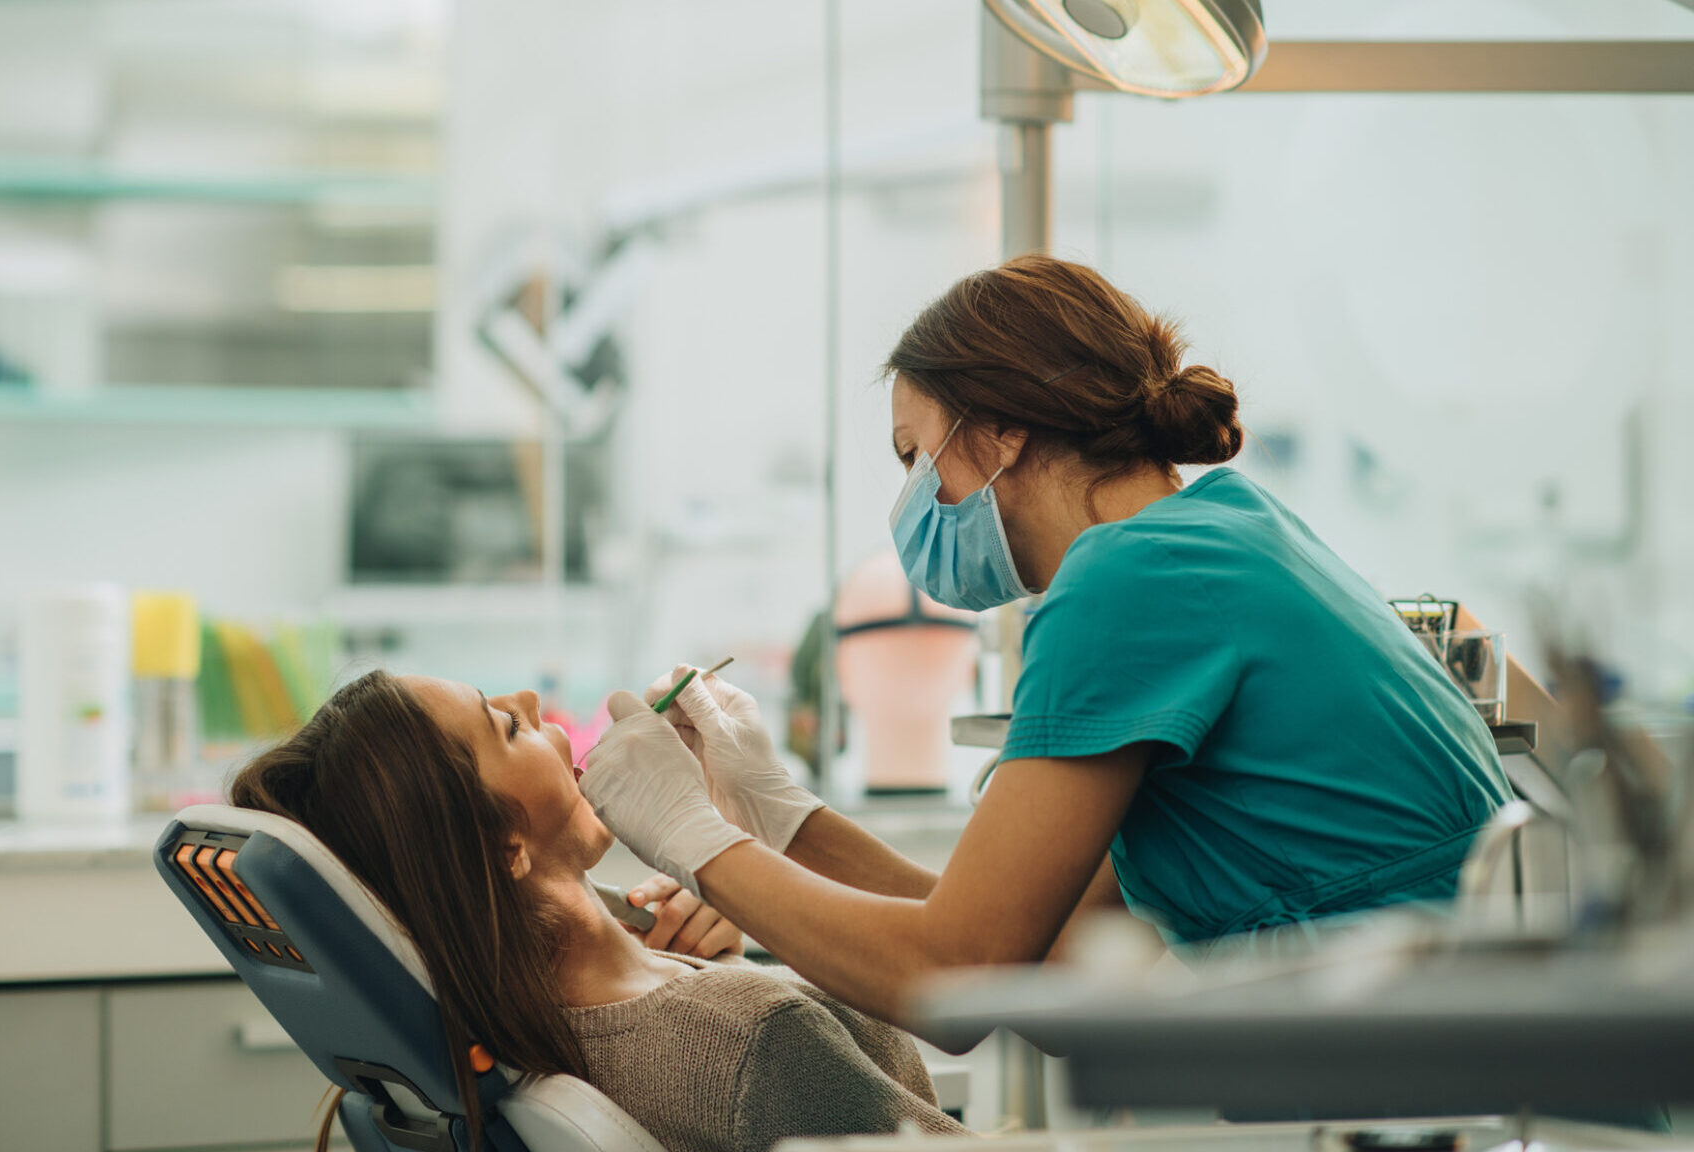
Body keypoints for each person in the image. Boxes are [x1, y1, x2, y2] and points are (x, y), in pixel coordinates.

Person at [581, 253, 1514, 1026]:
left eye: (915, 457)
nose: (911, 503)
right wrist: (778, 816)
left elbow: (957, 972)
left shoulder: (1129, 580)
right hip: (1480, 1061)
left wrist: (691, 837)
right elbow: (1043, 951)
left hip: (1445, 1083)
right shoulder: (1224, 531)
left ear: (1000, 429)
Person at [228, 671, 966, 1152]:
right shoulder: (751, 1037)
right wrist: (739, 986)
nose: (526, 701)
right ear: (503, 846)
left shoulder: (524, 1025)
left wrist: (736, 941)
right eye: (506, 728)